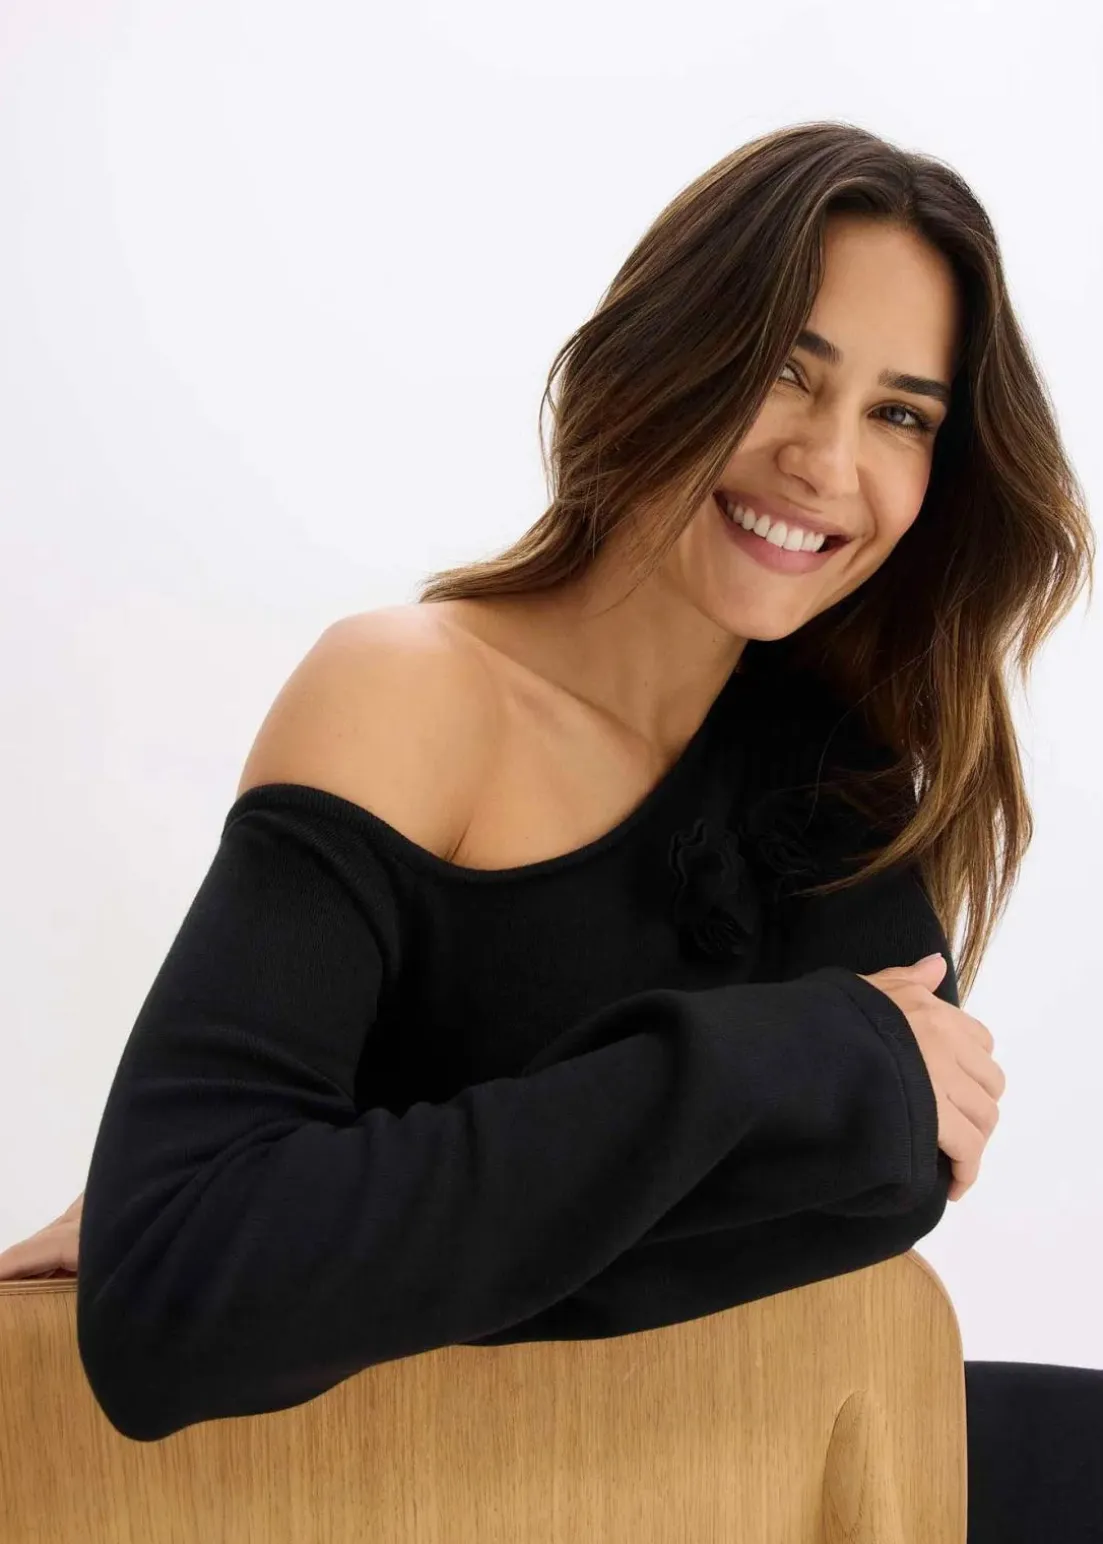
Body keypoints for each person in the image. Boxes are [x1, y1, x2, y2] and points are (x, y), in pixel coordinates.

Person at [2, 121, 1099, 1539]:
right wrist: (787, 1058)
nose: (827, 462)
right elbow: (177, 1309)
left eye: (901, 415)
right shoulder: (414, 692)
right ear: (661, 357)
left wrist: (337, 1238)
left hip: (701, 1460)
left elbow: (884, 1185)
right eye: (785, 369)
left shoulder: (838, 770)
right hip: (416, 1490)